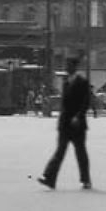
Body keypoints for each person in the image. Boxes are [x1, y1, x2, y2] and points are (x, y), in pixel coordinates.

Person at [38, 57, 91, 189]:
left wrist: (79, 116)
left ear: (74, 67)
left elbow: (85, 102)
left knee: (80, 153)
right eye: (66, 65)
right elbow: (65, 105)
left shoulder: (82, 82)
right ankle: (50, 178)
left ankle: (86, 179)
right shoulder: (66, 82)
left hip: (77, 125)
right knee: (60, 151)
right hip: (65, 124)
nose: (67, 68)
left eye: (69, 66)